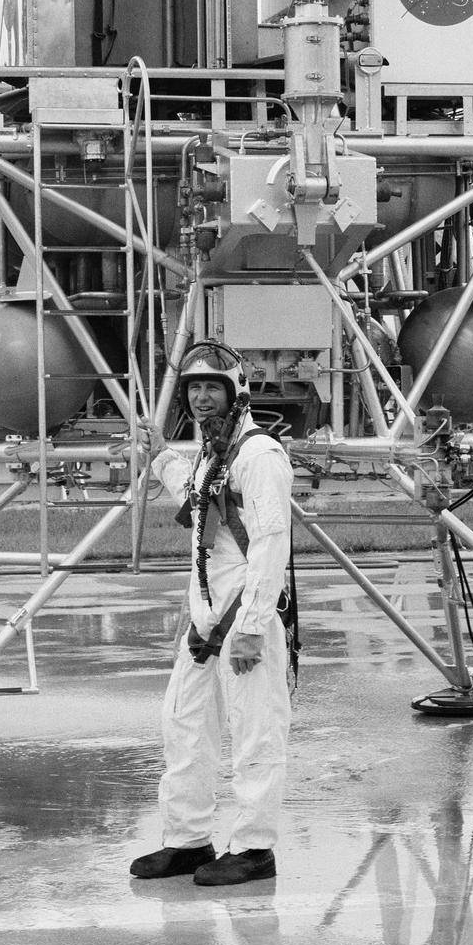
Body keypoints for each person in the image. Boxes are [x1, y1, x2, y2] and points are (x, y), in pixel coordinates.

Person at [129, 341, 295, 887]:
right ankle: (186, 839)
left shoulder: (259, 455)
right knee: (185, 729)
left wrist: (249, 629)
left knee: (255, 734)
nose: (201, 398)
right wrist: (159, 455)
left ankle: (253, 847)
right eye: (194, 389)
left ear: (235, 393)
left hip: (246, 620)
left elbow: (271, 543)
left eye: (211, 388)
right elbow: (200, 505)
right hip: (205, 622)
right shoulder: (212, 452)